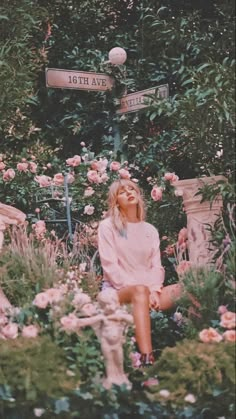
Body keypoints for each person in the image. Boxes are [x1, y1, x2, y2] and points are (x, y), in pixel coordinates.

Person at [98, 179, 182, 366]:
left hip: (149, 292)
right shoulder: (107, 226)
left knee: (186, 288)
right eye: (122, 191)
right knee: (139, 291)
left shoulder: (150, 230)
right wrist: (142, 290)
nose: (129, 192)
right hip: (118, 291)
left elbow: (156, 267)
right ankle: (147, 360)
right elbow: (110, 267)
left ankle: (197, 347)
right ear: (115, 201)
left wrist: (153, 291)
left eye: (132, 189)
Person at [76, 289, 133, 389]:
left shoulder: (120, 315)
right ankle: (111, 377)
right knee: (109, 360)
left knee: (119, 359)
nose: (108, 307)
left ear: (116, 303)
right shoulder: (102, 317)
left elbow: (131, 319)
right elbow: (85, 321)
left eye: (110, 304)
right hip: (106, 343)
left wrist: (118, 316)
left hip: (117, 343)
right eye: (104, 305)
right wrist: (99, 318)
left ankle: (121, 376)